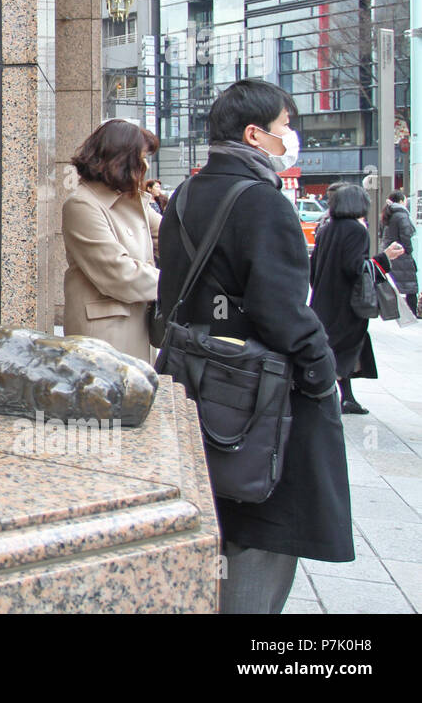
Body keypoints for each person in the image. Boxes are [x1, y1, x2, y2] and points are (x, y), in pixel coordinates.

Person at [157, 78, 349, 614]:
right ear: (254, 134)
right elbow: (282, 311)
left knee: (212, 517)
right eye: (286, 126)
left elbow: (171, 293)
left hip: (192, 382)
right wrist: (319, 369)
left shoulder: (186, 194)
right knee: (260, 534)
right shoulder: (263, 203)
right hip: (257, 396)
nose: (290, 137)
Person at [62, 118, 161, 363]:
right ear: (123, 158)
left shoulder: (132, 202)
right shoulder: (82, 204)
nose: (146, 165)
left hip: (135, 329)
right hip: (105, 338)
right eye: (142, 156)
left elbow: (172, 236)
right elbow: (118, 274)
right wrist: (174, 286)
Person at [310, 185, 404, 417]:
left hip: (324, 299)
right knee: (343, 349)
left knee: (334, 347)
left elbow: (313, 269)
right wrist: (385, 259)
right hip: (346, 304)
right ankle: (327, 394)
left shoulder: (327, 229)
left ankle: (345, 397)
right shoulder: (356, 230)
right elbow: (355, 268)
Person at [380, 189, 417, 316]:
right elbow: (406, 234)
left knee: (395, 284)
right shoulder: (401, 214)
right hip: (401, 253)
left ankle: (394, 311)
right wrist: (409, 250)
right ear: (401, 201)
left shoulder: (388, 213)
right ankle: (412, 312)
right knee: (410, 286)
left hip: (390, 252)